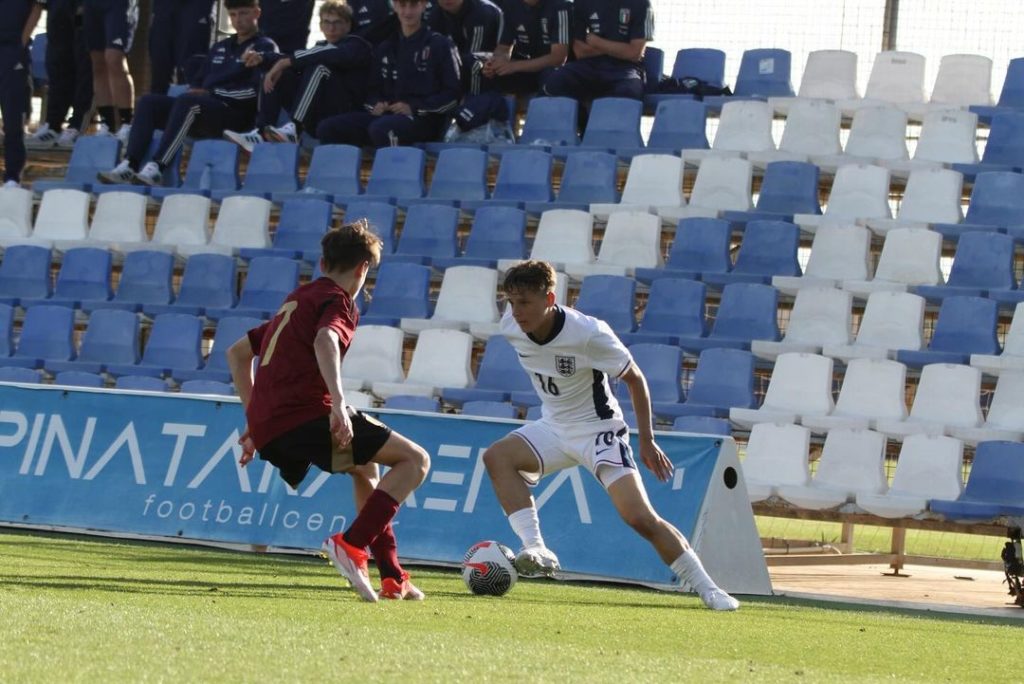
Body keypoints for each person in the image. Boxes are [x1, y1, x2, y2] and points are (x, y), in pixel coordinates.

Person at [482, 261, 740, 611]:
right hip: (554, 426)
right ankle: (536, 548)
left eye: (525, 302)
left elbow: (634, 378)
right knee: (497, 456)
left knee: (639, 517)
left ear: (550, 298)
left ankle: (709, 588)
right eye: (511, 301)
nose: (517, 311)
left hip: (599, 431)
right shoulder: (510, 324)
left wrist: (646, 439)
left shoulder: (588, 333)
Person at [227, 221, 432, 603]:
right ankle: (351, 545)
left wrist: (254, 420)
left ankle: (392, 576)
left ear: (322, 262)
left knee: (366, 466)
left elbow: (237, 354)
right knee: (415, 461)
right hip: (304, 415)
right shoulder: (339, 301)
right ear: (362, 269)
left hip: (273, 426)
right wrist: (338, 402)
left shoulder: (297, 300)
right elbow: (326, 338)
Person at [96, 0, 276, 187]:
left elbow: (255, 93)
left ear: (257, 13)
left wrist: (212, 93)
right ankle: (130, 164)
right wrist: (200, 92)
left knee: (189, 103)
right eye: (233, 15)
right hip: (202, 111)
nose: (238, 20)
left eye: (244, 13)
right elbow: (198, 83)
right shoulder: (220, 47)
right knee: (149, 102)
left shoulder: (265, 47)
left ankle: (158, 167)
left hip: (235, 117)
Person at [223, 0, 373, 151]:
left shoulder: (357, 45)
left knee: (319, 66)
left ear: (348, 25)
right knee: (277, 73)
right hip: (316, 111)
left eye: (337, 23)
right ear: (320, 26)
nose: (332, 28)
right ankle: (261, 132)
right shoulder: (318, 48)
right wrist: (263, 58)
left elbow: (329, 54)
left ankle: (294, 128)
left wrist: (286, 61)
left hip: (343, 111)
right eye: (327, 22)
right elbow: (306, 56)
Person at [316, 0, 460, 149]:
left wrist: (414, 107)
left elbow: (453, 95)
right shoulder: (386, 47)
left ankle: (396, 170)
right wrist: (376, 105)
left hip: (424, 119)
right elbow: (373, 90)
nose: (407, 12)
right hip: (386, 118)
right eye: (403, 5)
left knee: (382, 129)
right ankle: (348, 172)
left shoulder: (440, 44)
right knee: (328, 128)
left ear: (423, 6)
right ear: (395, 6)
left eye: (413, 5)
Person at [542, 0, 653, 102]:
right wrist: (620, 47)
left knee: (628, 91)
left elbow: (635, 53)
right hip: (588, 65)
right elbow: (580, 51)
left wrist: (598, 43)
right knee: (555, 82)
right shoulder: (582, 3)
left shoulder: (641, 3)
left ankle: (608, 123)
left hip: (625, 69)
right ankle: (580, 120)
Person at [25, 0, 93, 149]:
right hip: (57, 7)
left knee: (83, 65)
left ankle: (76, 125)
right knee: (57, 61)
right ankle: (52, 125)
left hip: (86, 8)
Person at [480, 0, 570, 96]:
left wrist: (513, 66)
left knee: (551, 76)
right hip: (528, 66)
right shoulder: (511, 5)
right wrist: (495, 64)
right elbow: (503, 48)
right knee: (485, 74)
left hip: (558, 69)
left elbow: (558, 58)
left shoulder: (560, 6)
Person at [82, 0, 138, 141]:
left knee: (114, 58)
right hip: (92, 5)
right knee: (97, 63)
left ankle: (127, 123)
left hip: (119, 5)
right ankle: (108, 124)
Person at [1, 0, 43, 187]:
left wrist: (21, 43)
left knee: (13, 118)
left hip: (11, 50)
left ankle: (12, 176)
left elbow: (37, 6)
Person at [427, 0, 502, 95]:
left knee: (475, 64)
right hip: (459, 62)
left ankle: (473, 101)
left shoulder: (482, 12)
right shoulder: (436, 13)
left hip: (495, 66)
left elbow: (473, 56)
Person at [147, 0, 216, 96]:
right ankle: (159, 108)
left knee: (191, 71)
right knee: (159, 65)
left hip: (197, 5)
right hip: (163, 5)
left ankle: (187, 109)